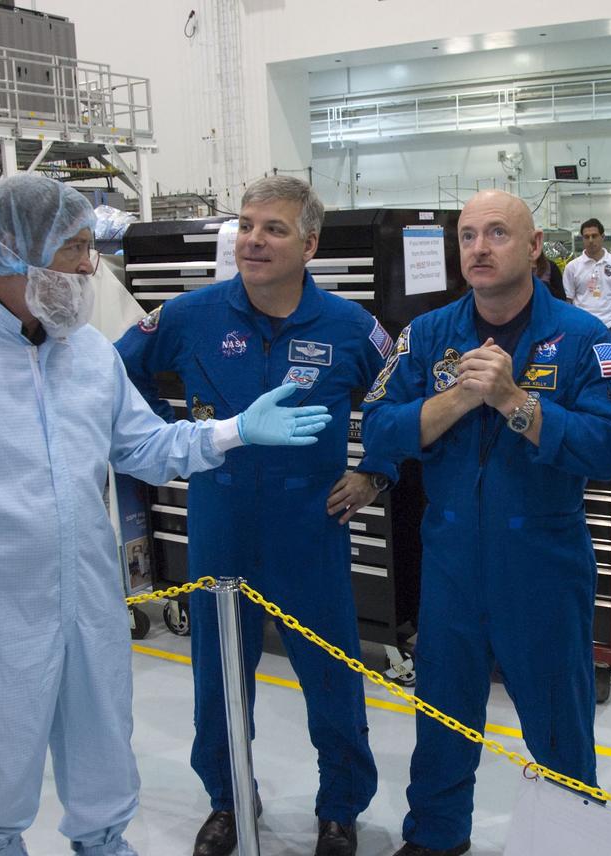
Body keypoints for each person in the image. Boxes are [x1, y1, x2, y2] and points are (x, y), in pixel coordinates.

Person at [0, 173, 331, 856]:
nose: (91, 266)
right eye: (75, 249)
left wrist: (231, 432)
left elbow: (144, 447)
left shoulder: (85, 352)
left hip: (88, 593)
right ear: (12, 252)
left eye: (91, 248)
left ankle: (104, 842)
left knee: (103, 752)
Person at [116, 175, 396, 856]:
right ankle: (228, 799)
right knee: (217, 676)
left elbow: (397, 400)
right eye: (245, 225)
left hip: (311, 528)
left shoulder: (352, 329)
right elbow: (116, 375)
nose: (253, 240)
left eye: (273, 228)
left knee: (331, 675)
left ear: (310, 244)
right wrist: (169, 442)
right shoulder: (189, 316)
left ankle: (339, 809)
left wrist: (374, 472)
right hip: (222, 524)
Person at [362, 189, 611, 856]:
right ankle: (434, 839)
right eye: (468, 237)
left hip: (543, 566)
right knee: (441, 720)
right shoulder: (429, 334)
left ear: (535, 247)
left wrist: (516, 402)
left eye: (497, 234)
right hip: (453, 565)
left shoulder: (581, 337)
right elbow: (379, 429)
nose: (479, 249)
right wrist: (460, 397)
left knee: (559, 728)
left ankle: (568, 843)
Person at [563, 217, 611, 333]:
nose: (591, 240)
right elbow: (569, 300)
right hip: (582, 325)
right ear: (582, 239)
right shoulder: (572, 267)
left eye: (594, 236)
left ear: (603, 237)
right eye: (586, 237)